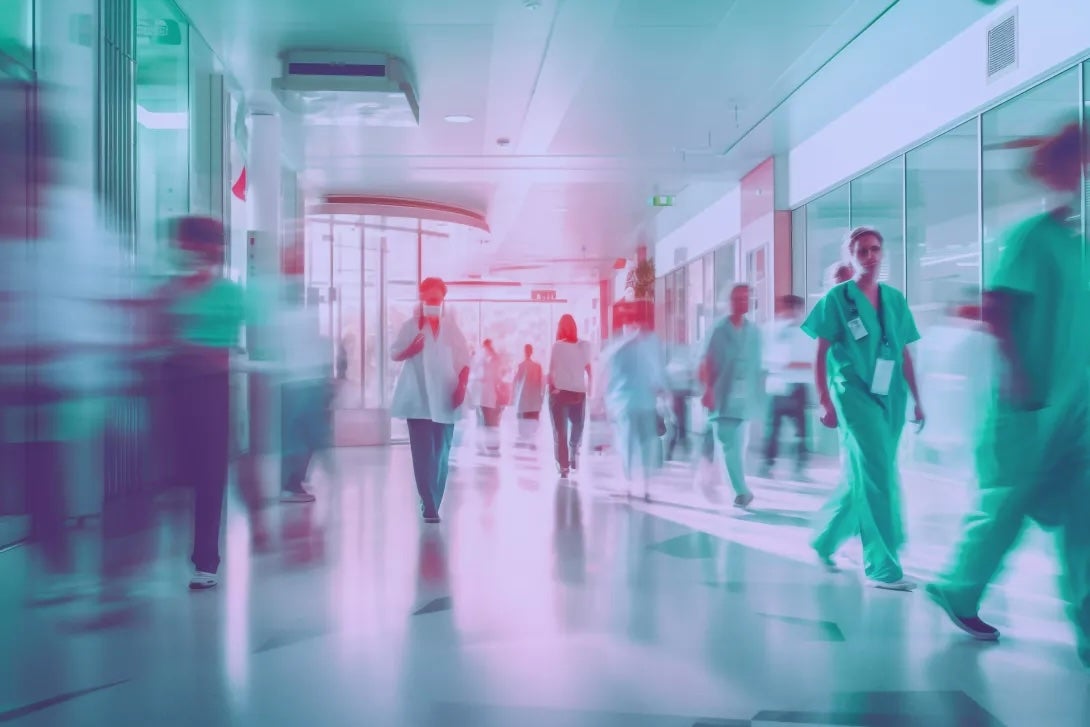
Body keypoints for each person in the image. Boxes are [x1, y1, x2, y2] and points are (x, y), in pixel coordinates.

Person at [927, 123, 1090, 665]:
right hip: (1029, 407)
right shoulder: (1028, 237)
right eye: (1073, 164)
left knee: (1084, 517)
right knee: (1004, 506)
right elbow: (997, 308)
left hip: (1074, 410)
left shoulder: (1077, 245)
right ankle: (958, 587)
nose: (1080, 175)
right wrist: (1019, 376)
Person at [803, 226, 925, 592]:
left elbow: (904, 351)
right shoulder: (837, 299)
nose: (870, 257)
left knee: (866, 473)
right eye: (862, 251)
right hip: (852, 394)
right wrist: (823, 399)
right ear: (850, 256)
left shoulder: (895, 299)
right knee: (877, 473)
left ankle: (825, 539)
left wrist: (917, 398)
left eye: (875, 249)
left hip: (891, 396)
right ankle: (882, 565)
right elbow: (821, 352)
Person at [163, 216, 249, 590]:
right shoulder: (169, 292)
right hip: (171, 386)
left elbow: (227, 350)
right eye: (188, 246)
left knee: (209, 476)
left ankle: (205, 559)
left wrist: (192, 348)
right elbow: (157, 334)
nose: (194, 253)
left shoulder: (229, 293)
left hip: (211, 390)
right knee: (175, 472)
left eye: (202, 246)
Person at [390, 277, 470, 524]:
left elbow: (464, 360)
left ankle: (434, 498)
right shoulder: (410, 326)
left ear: (443, 301)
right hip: (418, 398)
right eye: (427, 299)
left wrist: (462, 388)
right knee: (423, 453)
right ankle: (429, 503)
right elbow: (394, 353)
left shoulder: (451, 329)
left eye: (436, 300)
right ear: (421, 299)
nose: (432, 303)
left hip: (447, 397)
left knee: (442, 453)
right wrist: (409, 351)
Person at [698, 283, 763, 508]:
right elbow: (706, 362)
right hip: (721, 394)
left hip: (744, 399)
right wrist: (707, 390)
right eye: (738, 298)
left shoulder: (754, 331)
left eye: (746, 298)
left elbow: (757, 366)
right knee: (728, 446)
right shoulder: (718, 329)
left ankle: (731, 485)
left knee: (737, 446)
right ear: (730, 302)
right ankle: (740, 491)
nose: (743, 302)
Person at [602, 308, 666, 500]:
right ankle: (646, 486)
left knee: (626, 444)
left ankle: (629, 485)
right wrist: (662, 393)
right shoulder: (651, 344)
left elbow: (610, 377)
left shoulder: (618, 348)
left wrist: (605, 403)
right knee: (647, 444)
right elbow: (658, 374)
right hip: (646, 402)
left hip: (624, 403)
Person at [760, 295, 814, 480]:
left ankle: (800, 463)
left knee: (801, 429)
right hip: (778, 385)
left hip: (799, 385)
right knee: (773, 428)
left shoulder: (807, 330)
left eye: (795, 309)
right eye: (788, 308)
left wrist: (803, 365)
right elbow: (764, 358)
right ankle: (768, 462)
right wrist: (784, 364)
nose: (792, 313)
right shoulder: (770, 329)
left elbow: (815, 357)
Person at [548, 314, 592, 478]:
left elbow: (551, 372)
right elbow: (589, 370)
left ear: (560, 328)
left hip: (560, 393)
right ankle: (574, 448)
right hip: (578, 393)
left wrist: (552, 389)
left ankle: (564, 466)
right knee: (577, 424)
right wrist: (591, 389)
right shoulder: (584, 346)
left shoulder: (557, 347)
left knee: (560, 431)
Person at [471, 338, 503, 456]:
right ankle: (491, 445)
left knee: (486, 421)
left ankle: (489, 444)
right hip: (487, 395)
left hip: (486, 394)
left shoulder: (487, 359)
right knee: (489, 421)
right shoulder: (490, 359)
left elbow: (486, 375)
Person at [512, 343, 545, 449]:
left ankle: (524, 446)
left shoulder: (520, 366)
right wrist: (542, 397)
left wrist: (512, 398)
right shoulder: (538, 366)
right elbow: (542, 383)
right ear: (532, 352)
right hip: (534, 401)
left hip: (523, 401)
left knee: (523, 427)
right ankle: (531, 445)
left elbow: (515, 381)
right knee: (533, 426)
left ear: (524, 352)